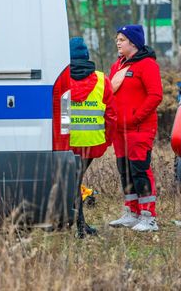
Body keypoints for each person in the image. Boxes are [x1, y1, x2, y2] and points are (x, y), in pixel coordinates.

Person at [108, 24, 163, 232]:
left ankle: (149, 217)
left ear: (133, 43)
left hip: (139, 128)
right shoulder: (117, 66)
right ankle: (131, 213)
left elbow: (155, 96)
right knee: (125, 170)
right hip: (119, 129)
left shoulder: (148, 65)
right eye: (117, 39)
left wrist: (135, 118)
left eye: (122, 39)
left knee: (140, 170)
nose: (118, 42)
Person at [69, 37, 117, 239]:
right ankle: (80, 225)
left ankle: (79, 225)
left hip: (67, 143)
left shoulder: (61, 79)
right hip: (91, 142)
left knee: (72, 182)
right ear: (87, 56)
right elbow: (111, 116)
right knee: (74, 181)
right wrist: (106, 141)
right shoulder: (102, 79)